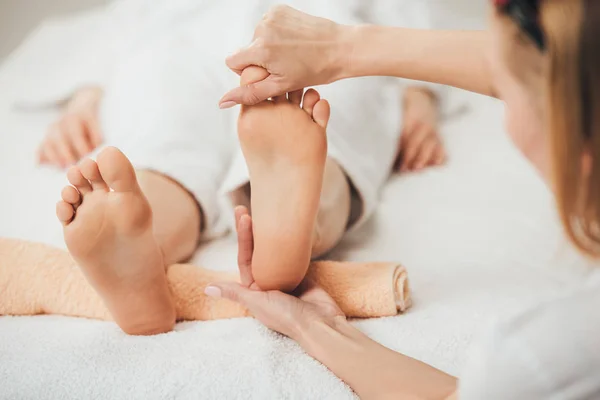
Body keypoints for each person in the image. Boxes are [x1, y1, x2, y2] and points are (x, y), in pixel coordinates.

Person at [207, 1, 600, 399]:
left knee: (173, 149)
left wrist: (312, 328)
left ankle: (176, 217)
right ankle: (316, 219)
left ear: (580, 154)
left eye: (507, 95)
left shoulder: (550, 352)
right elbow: (560, 64)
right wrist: (340, 47)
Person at [42, 0, 444, 335]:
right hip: (206, 31)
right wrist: (85, 97)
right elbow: (124, 20)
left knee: (165, 140)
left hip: (312, 34)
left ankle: (157, 230)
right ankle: (298, 221)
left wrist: (420, 93)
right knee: (325, 122)